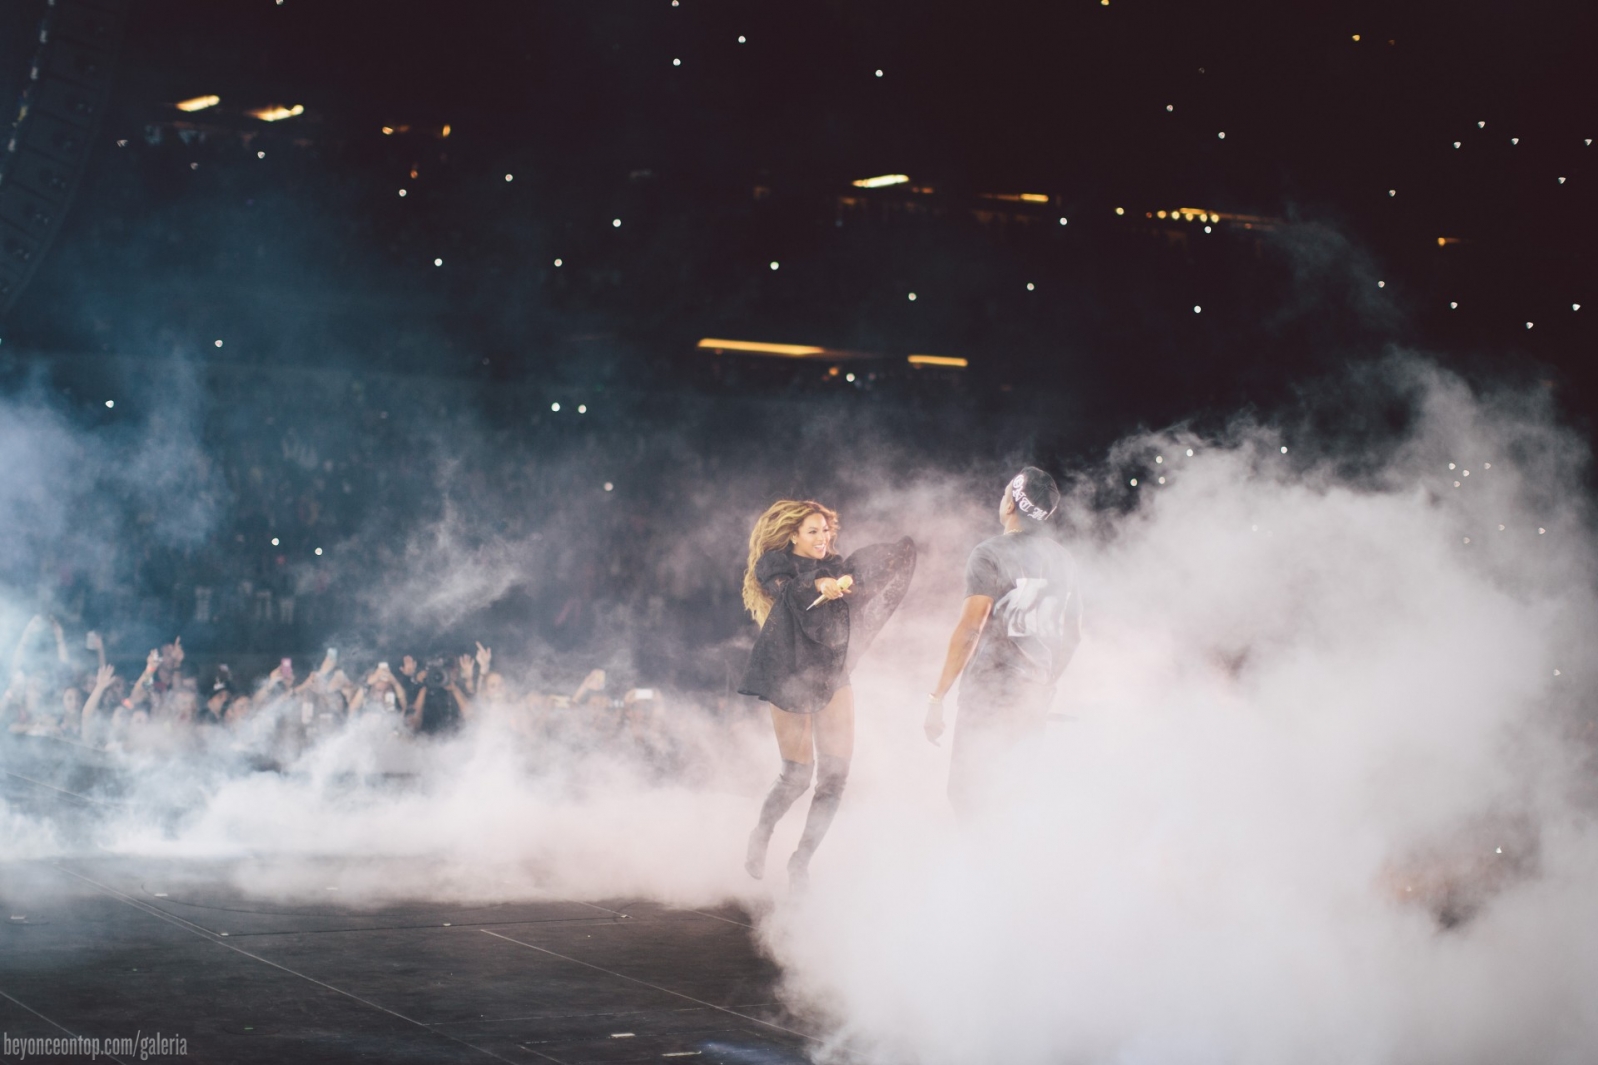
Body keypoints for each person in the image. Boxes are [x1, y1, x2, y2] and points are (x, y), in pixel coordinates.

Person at [739, 499, 915, 886]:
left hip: (833, 673)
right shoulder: (774, 565)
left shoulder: (837, 566)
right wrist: (819, 584)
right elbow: (789, 591)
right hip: (787, 673)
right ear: (793, 535)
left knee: (835, 777)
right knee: (797, 777)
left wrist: (854, 583)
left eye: (826, 530)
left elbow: (864, 592)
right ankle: (762, 833)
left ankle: (801, 861)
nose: (823, 538)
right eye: (813, 531)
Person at [924, 467, 1081, 815]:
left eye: (1005, 493)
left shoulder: (989, 552)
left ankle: (979, 853)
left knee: (967, 795)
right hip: (1031, 698)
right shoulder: (1064, 559)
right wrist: (1046, 682)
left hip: (987, 694)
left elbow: (971, 628)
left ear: (1011, 504)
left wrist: (937, 698)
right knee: (1013, 797)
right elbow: (1074, 634)